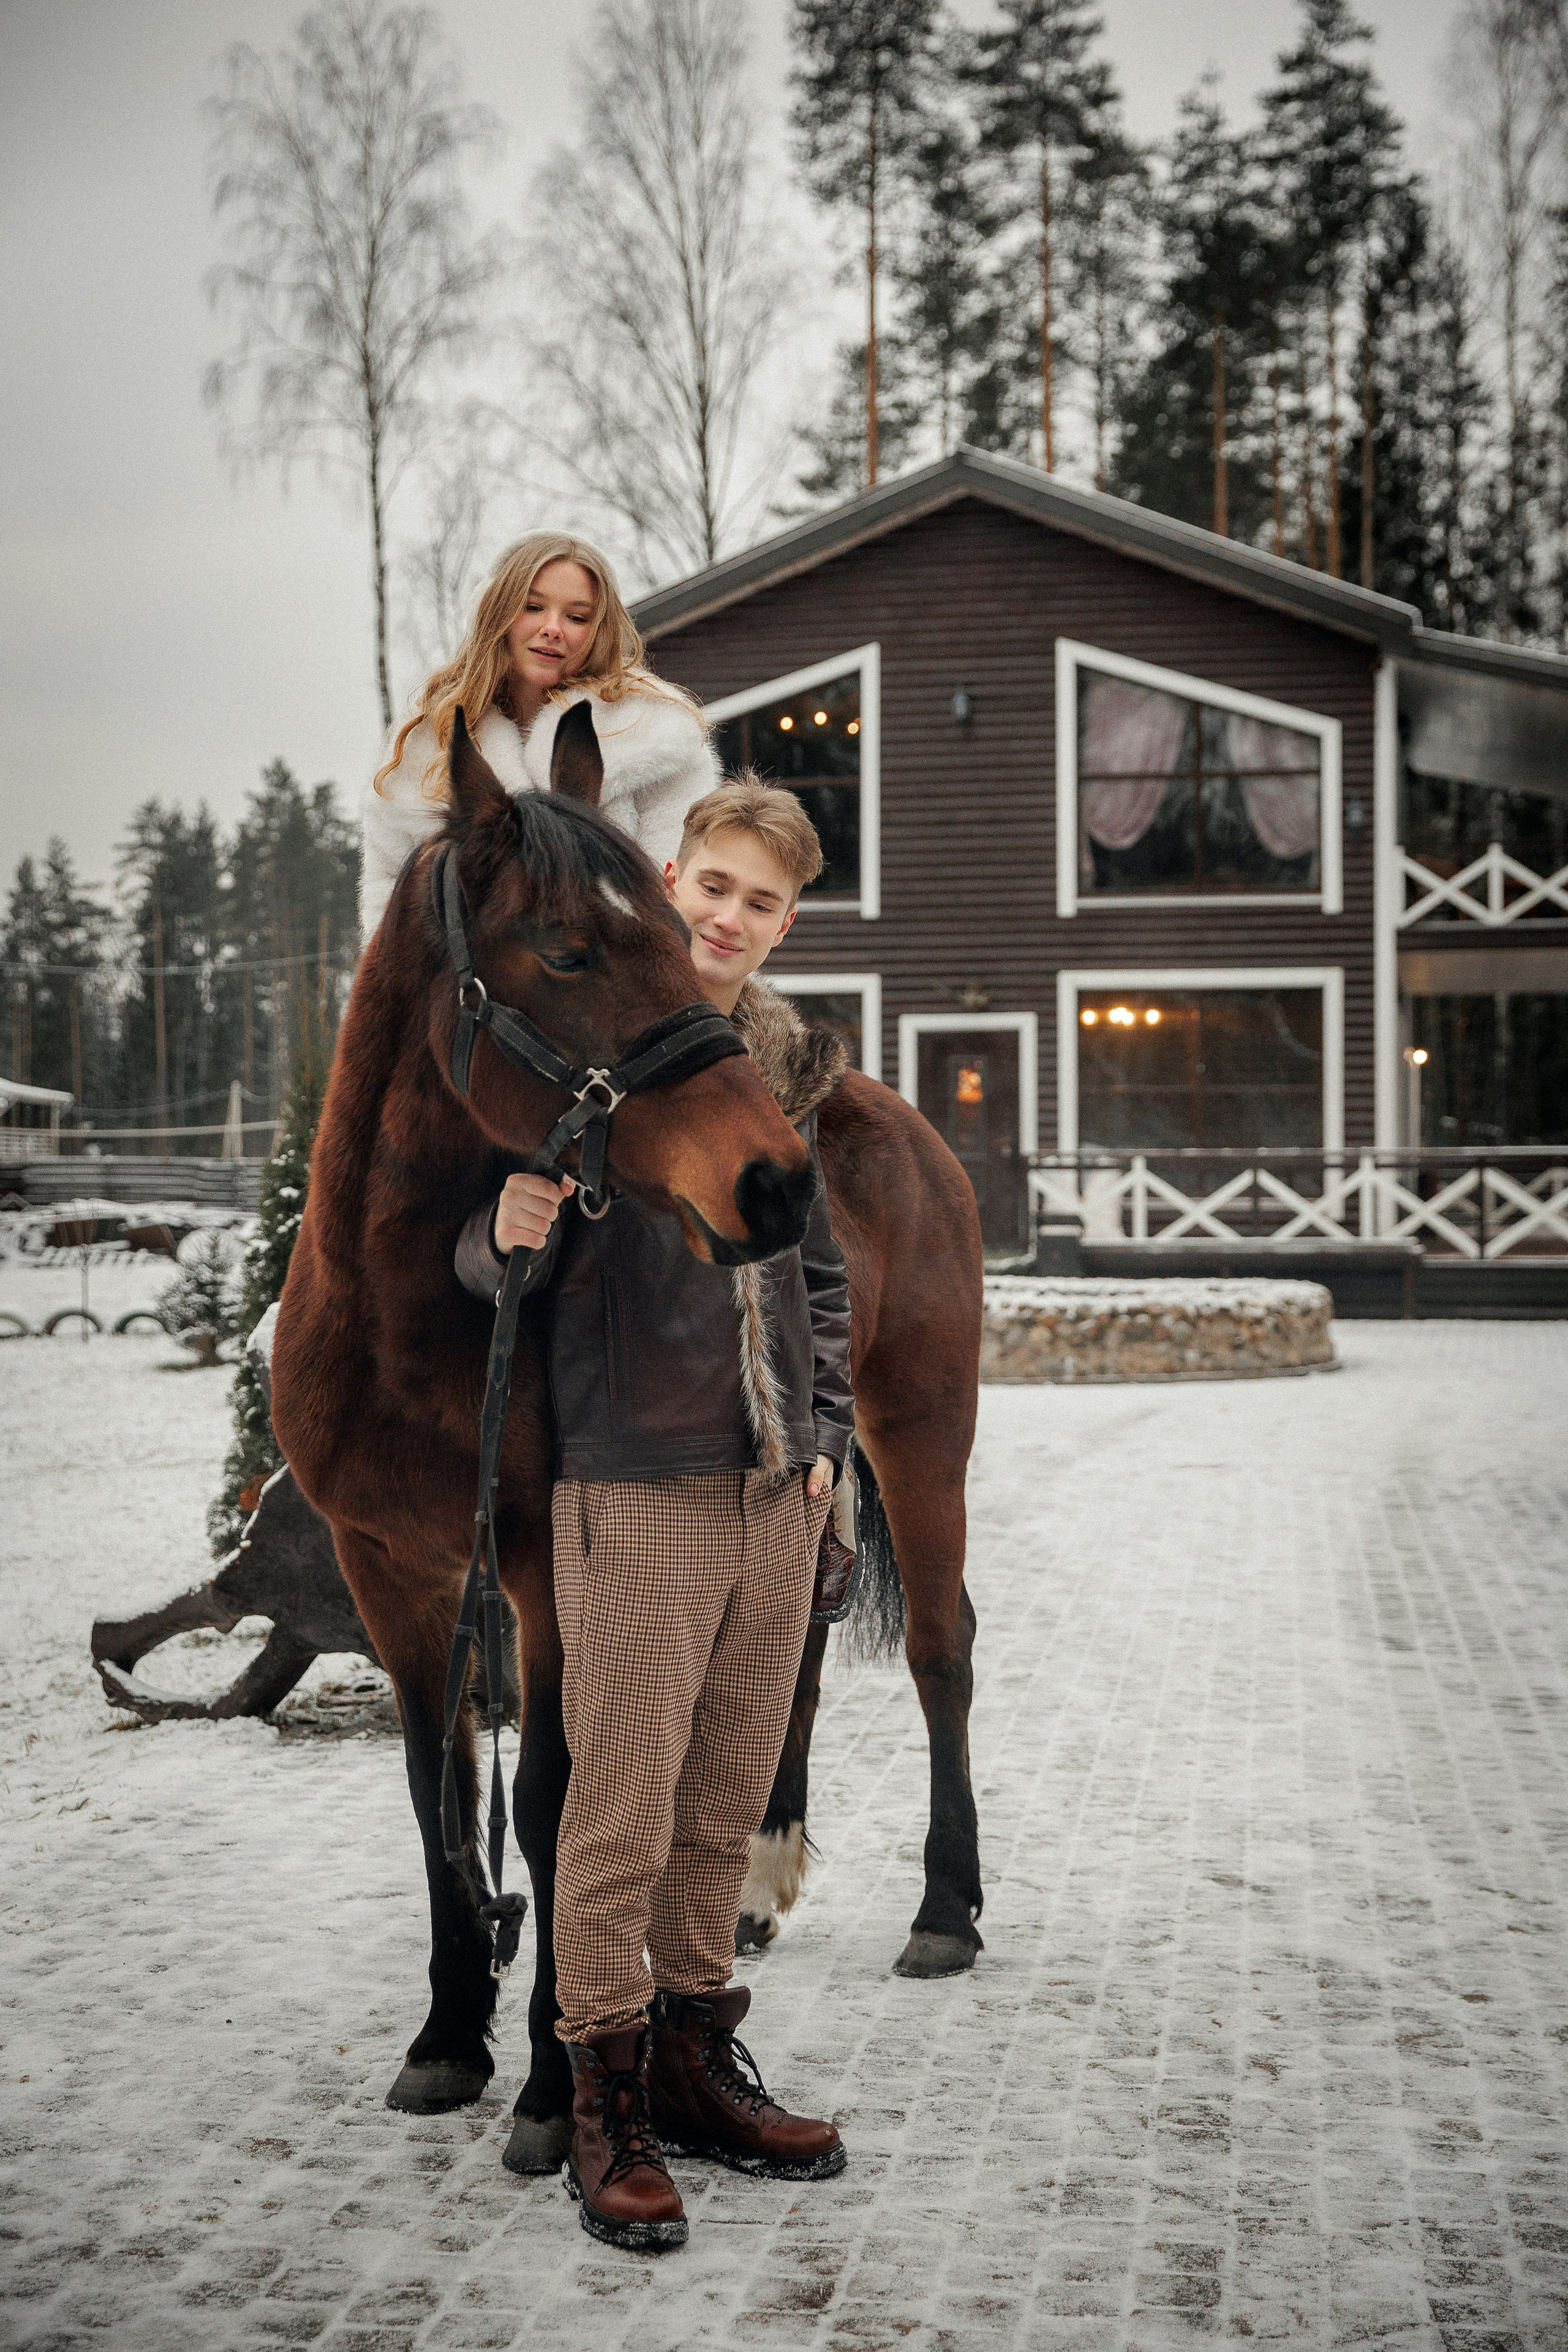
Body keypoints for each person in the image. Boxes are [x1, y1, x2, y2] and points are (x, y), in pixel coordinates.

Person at [453, 779, 854, 2255]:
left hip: (769, 1488)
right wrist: (496, 1240)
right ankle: (603, 2093)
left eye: (761, 901)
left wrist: (825, 1439)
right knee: (615, 1808)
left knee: (720, 1803)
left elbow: (818, 1278)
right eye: (713, 885)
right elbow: (491, 1250)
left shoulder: (777, 1068)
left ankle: (690, 2063)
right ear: (669, 877)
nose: (729, 916)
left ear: (786, 923)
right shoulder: (591, 1040)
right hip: (631, 1478)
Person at [360, 532, 716, 939]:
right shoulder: (427, 744)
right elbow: (388, 892)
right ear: (497, 613)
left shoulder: (654, 735)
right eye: (533, 608)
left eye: (577, 617)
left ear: (598, 631)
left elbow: (678, 889)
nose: (553, 629)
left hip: (614, 981)